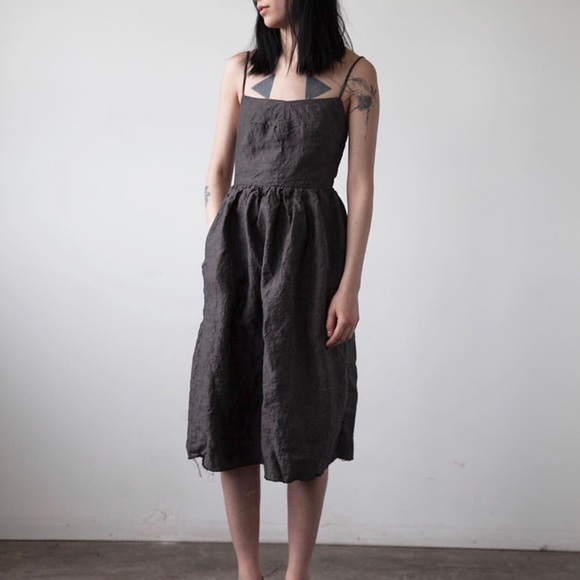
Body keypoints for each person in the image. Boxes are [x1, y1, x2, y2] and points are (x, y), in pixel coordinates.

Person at [186, 0, 379, 578]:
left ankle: (297, 572)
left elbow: (361, 184)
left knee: (307, 407)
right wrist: (218, 252)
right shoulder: (240, 69)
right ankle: (248, 570)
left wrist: (350, 285)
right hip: (238, 258)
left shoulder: (355, 75)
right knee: (233, 400)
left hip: (313, 261)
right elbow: (217, 170)